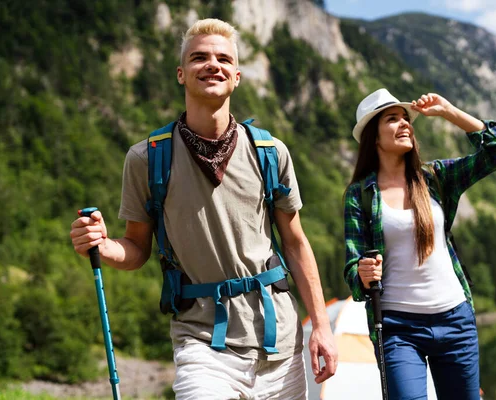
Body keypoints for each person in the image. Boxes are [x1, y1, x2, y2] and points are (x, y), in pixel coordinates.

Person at [71, 18, 337, 399]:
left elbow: (295, 244)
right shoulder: (147, 159)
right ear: (181, 73)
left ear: (237, 76)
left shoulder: (270, 153)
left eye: (223, 59)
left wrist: (322, 328)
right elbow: (135, 247)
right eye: (199, 58)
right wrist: (101, 244)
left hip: (279, 340)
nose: (213, 65)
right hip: (201, 340)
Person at [343, 88, 496, 399]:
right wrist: (363, 271)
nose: (404, 124)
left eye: (406, 119)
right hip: (397, 328)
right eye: (392, 119)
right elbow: (353, 268)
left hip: (455, 319)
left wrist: (450, 111)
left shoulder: (436, 177)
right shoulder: (360, 195)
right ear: (374, 137)